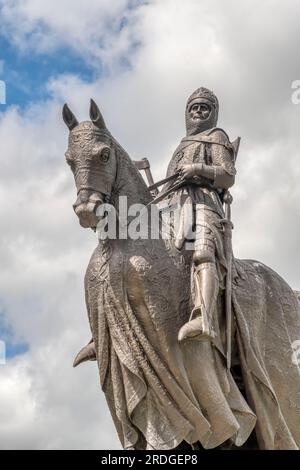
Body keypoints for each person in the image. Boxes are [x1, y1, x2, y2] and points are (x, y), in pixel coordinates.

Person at [164, 87, 236, 342]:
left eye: (204, 107)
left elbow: (228, 176)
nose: (197, 111)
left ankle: (204, 317)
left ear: (213, 113)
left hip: (203, 203)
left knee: (203, 252)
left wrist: (197, 168)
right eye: (193, 107)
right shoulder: (181, 145)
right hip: (173, 207)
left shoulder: (216, 136)